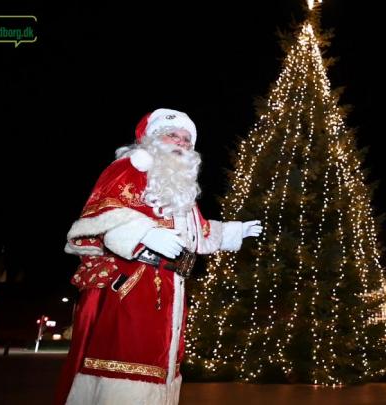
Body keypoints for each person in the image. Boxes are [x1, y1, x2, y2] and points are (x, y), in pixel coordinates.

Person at [54, 108, 263, 405]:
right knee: (126, 372)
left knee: (160, 369)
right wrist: (142, 234)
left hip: (171, 290)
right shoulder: (129, 168)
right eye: (172, 135)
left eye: (187, 138)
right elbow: (96, 219)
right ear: (152, 139)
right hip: (130, 287)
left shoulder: (180, 190)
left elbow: (198, 233)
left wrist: (233, 232)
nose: (181, 142)